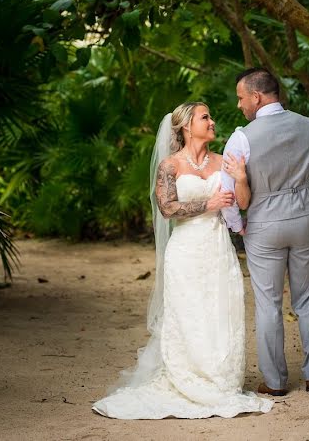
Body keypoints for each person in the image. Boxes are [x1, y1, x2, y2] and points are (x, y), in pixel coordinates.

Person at [92, 102, 273, 419]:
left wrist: (241, 178)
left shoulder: (223, 161)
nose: (212, 121)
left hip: (218, 248)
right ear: (187, 125)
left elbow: (242, 202)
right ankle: (188, 378)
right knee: (188, 315)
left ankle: (223, 380)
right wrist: (210, 202)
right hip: (185, 250)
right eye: (206, 117)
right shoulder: (170, 166)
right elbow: (167, 209)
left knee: (222, 311)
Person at [220, 68, 309, 396]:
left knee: (268, 304)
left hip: (263, 225)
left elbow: (228, 192)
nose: (239, 105)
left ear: (257, 96)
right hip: (304, 220)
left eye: (241, 97)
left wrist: (238, 226)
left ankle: (275, 382)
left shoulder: (242, 137)